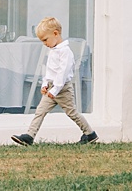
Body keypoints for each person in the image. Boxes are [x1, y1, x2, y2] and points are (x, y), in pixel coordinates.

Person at [12, 16, 98, 145]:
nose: (44, 43)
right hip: (52, 87)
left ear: (56, 34)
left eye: (45, 39)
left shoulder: (65, 52)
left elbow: (62, 73)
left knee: (72, 112)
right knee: (40, 111)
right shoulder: (52, 51)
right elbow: (50, 70)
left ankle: (89, 133)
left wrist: (56, 89)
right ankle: (29, 136)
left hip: (62, 89)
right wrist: (46, 83)